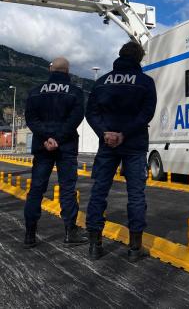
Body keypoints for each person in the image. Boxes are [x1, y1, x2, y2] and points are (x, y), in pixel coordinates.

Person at [86, 41, 157, 261]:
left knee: (99, 192)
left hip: (107, 146)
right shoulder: (145, 82)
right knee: (136, 195)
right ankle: (134, 248)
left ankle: (94, 245)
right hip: (134, 145)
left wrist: (105, 133)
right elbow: (146, 113)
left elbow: (91, 113)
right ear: (139, 58)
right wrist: (124, 133)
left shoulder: (101, 82)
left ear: (120, 55)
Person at [24, 57, 87, 248]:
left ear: (50, 70)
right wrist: (58, 138)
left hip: (43, 147)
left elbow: (31, 119)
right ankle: (70, 232)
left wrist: (47, 138)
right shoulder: (75, 92)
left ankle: (30, 235)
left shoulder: (35, 92)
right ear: (67, 71)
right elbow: (75, 119)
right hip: (66, 146)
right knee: (67, 189)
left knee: (36, 189)